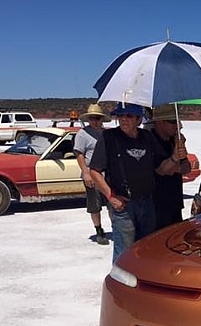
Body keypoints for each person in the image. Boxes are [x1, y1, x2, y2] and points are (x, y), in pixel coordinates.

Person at [89, 102, 160, 263]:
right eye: (120, 116)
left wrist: (176, 156)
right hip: (124, 205)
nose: (123, 119)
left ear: (138, 119)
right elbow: (94, 171)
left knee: (146, 250)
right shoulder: (109, 138)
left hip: (147, 203)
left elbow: (160, 167)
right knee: (124, 254)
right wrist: (111, 197)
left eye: (128, 116)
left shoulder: (147, 137)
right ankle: (120, 285)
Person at [145, 104, 191, 230]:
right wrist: (175, 158)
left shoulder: (173, 140)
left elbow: (187, 168)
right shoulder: (150, 140)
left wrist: (179, 159)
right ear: (160, 122)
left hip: (174, 201)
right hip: (157, 204)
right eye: (172, 122)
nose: (177, 126)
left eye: (177, 122)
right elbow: (161, 170)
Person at [74, 103, 111, 245]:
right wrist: (86, 173)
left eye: (97, 118)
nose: (94, 121)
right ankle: (99, 230)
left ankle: (116, 227)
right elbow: (79, 153)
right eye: (91, 118)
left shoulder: (106, 133)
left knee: (111, 202)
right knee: (94, 205)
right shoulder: (82, 134)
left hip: (106, 173)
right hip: (91, 171)